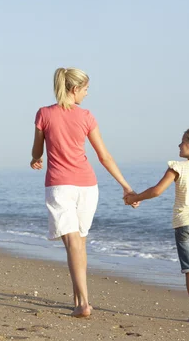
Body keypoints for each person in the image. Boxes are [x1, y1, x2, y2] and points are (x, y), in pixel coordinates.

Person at [30, 67, 137, 318]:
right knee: (79, 244)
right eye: (86, 89)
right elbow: (104, 156)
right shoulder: (86, 116)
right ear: (74, 89)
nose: (87, 94)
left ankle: (83, 303)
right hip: (88, 187)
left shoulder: (44, 114)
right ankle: (80, 299)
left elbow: (37, 151)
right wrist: (126, 186)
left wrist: (36, 160)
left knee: (74, 244)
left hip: (60, 186)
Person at [124, 128, 189, 324]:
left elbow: (156, 191)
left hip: (184, 223)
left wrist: (135, 198)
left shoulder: (177, 167)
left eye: (182, 141)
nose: (179, 145)